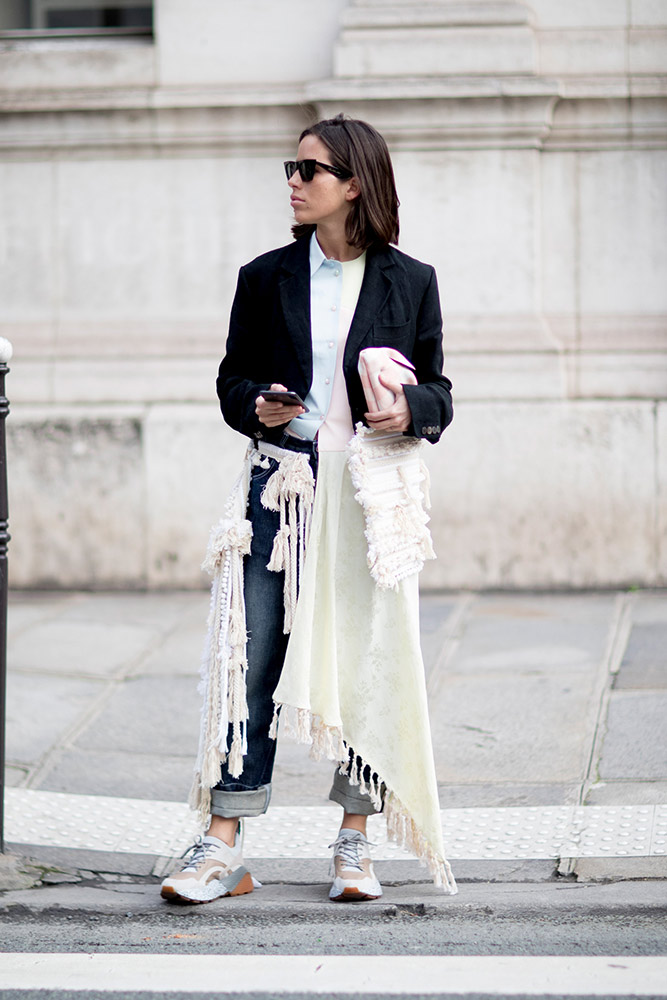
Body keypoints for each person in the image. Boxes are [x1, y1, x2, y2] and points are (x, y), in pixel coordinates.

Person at [161, 113, 457, 904]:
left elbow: (438, 391)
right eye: (290, 170)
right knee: (249, 660)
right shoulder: (265, 277)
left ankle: (354, 843)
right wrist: (256, 403)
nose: (292, 183)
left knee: (367, 665)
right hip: (280, 493)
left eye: (308, 171)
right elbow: (231, 383)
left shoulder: (409, 279)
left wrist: (410, 411)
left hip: (368, 496)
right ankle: (222, 844)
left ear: (352, 184)